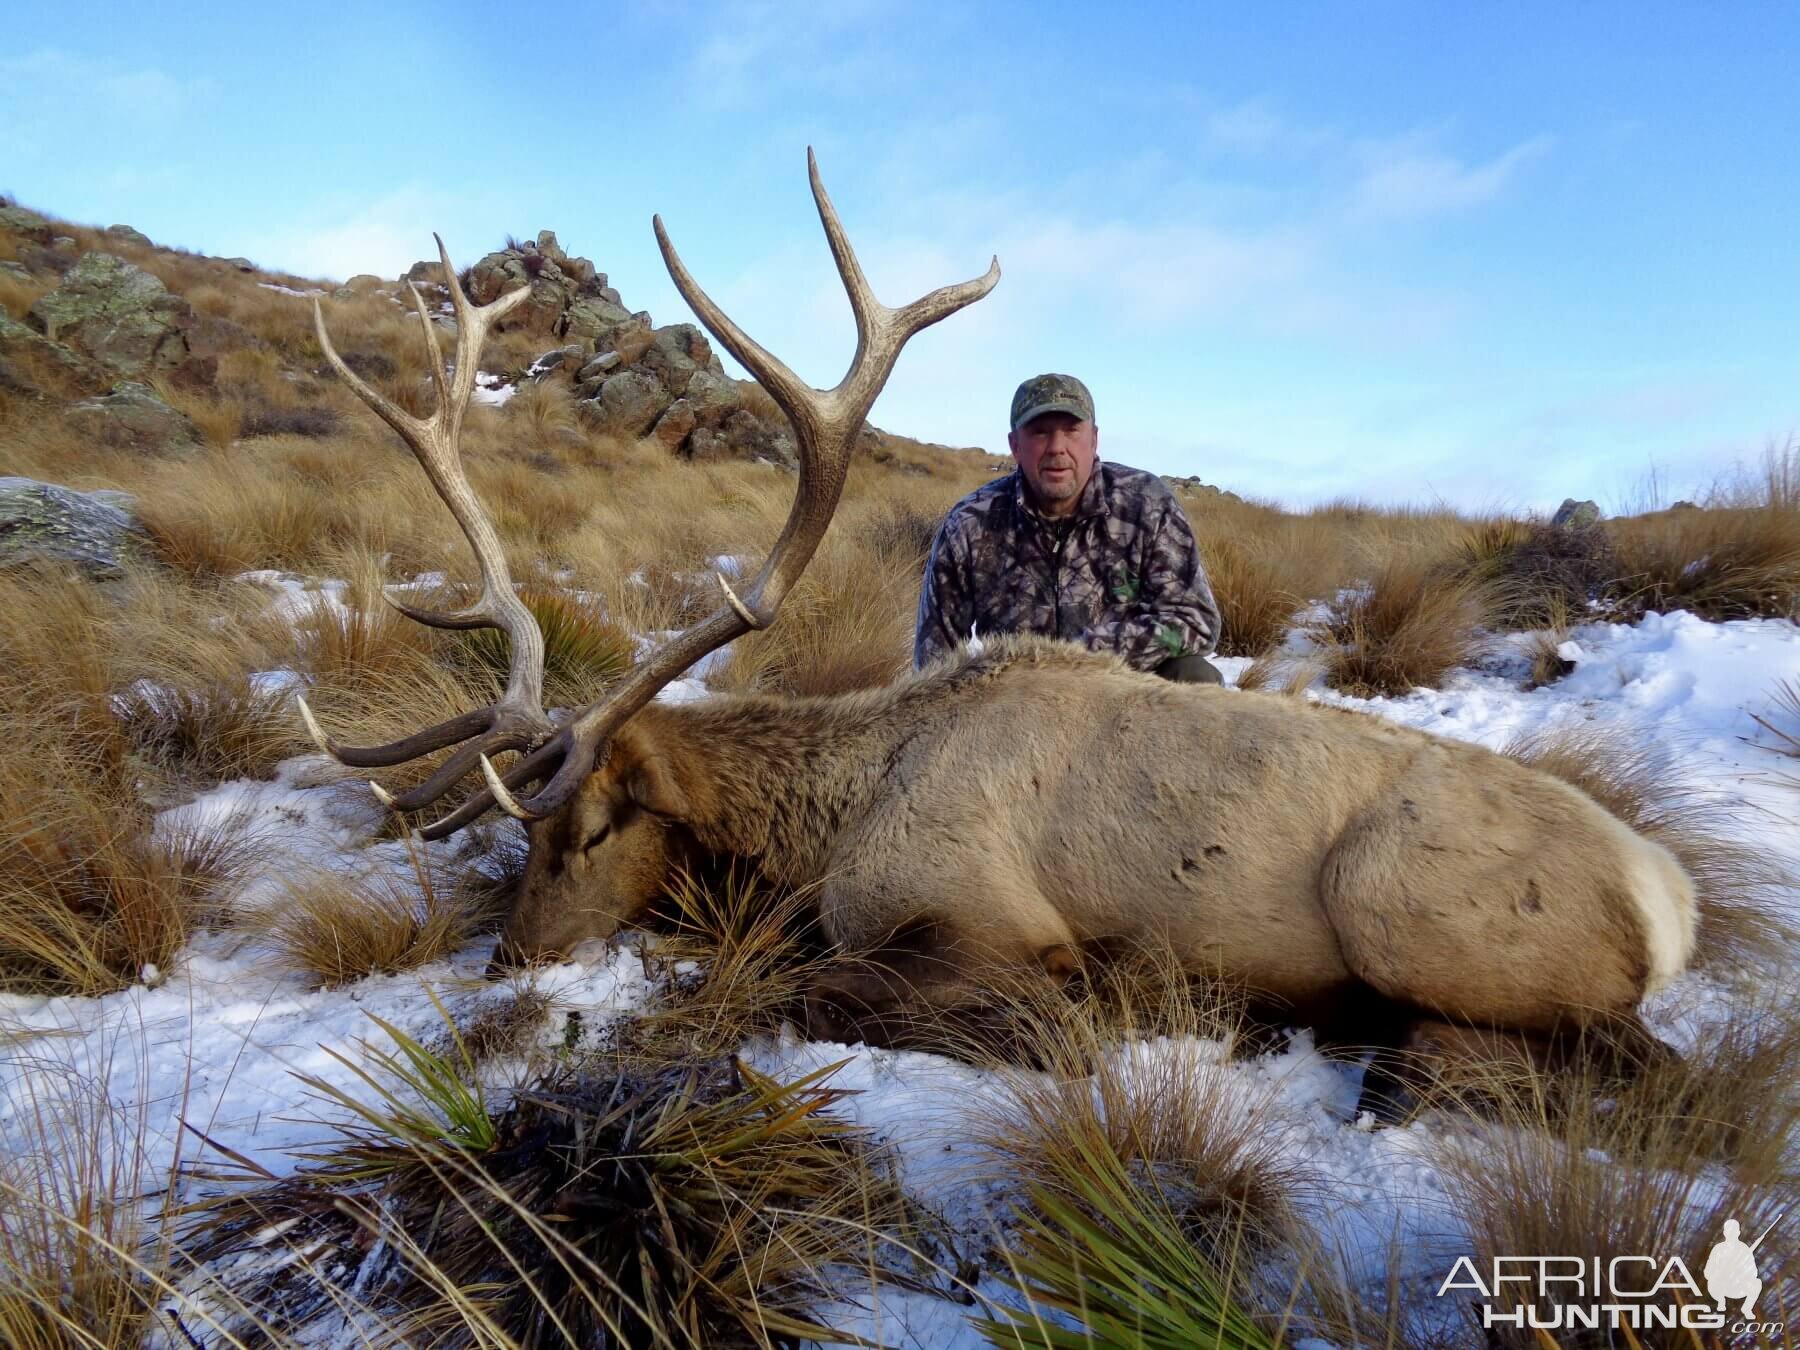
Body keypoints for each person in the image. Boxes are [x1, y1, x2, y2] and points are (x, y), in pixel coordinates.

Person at [914, 372, 1223, 682]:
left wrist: (1085, 654)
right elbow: (934, 660)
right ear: (1015, 445)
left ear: (1094, 439)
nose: (1057, 448)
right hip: (1021, 706)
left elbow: (1195, 620)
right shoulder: (970, 522)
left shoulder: (1147, 503)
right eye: (1039, 432)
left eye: (1072, 430)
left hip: (1125, 695)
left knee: (1194, 676)